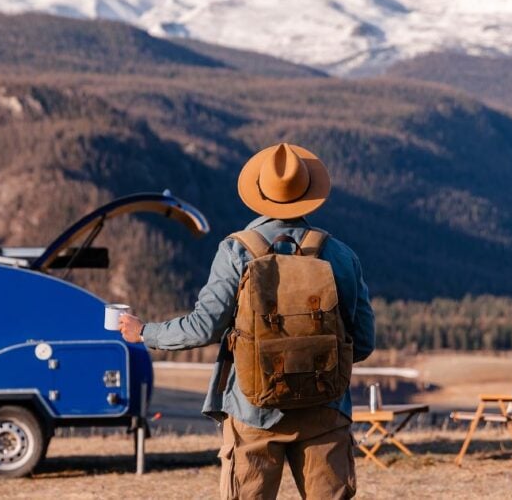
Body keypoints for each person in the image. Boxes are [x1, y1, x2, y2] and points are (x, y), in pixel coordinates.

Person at [119, 143, 375, 499]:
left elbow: (204, 327)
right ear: (310, 194)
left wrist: (145, 332)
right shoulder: (341, 255)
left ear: (258, 194)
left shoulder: (237, 251)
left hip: (253, 408)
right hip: (325, 410)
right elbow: (363, 342)